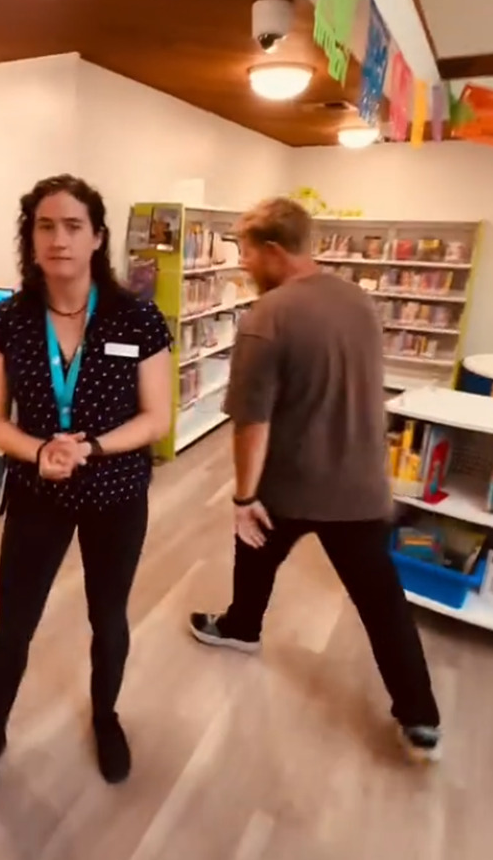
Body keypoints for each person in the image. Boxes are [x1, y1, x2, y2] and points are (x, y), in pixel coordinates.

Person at [189, 198, 441, 762]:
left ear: (274, 251)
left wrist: (244, 496)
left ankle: (241, 627)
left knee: (251, 537)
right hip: (361, 489)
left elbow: (251, 424)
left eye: (247, 252)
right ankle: (420, 717)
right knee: (382, 603)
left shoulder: (267, 317)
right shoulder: (358, 299)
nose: (243, 264)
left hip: (290, 487)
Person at [0, 175, 172, 817]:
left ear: (97, 237)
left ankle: (105, 716)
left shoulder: (136, 316)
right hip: (35, 493)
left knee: (107, 619)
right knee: (12, 626)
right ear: (31, 237)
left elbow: (156, 416)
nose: (58, 239)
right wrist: (40, 452)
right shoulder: (9, 320)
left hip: (116, 492)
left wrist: (90, 448)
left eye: (73, 226)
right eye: (45, 226)